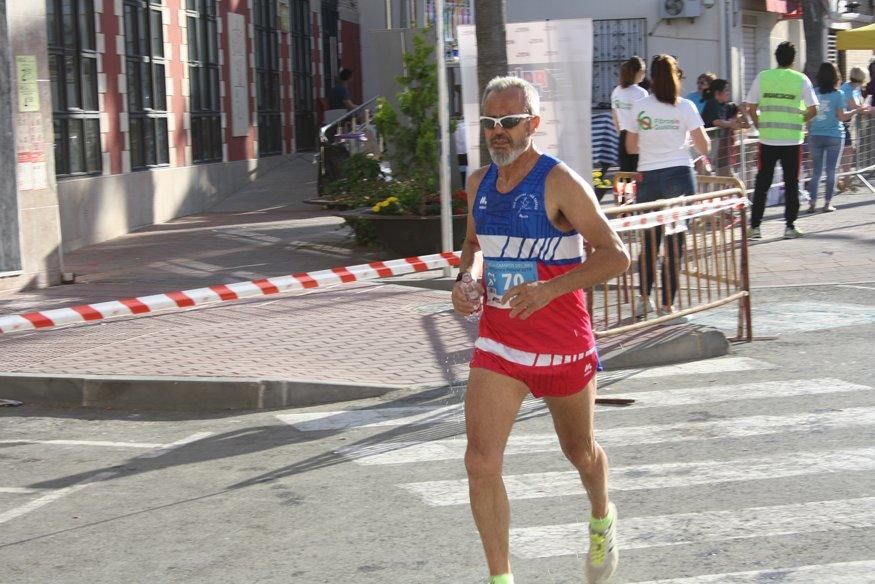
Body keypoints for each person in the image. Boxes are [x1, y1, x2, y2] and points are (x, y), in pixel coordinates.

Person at [452, 76, 630, 584]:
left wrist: (550, 290)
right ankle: (500, 578)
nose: (498, 132)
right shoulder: (478, 182)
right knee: (480, 463)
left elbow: (616, 255)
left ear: (533, 123)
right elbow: (472, 244)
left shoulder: (559, 181)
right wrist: (464, 282)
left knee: (579, 451)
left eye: (509, 122)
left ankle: (602, 517)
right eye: (490, 123)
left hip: (562, 346)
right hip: (500, 343)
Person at [626, 55, 710, 317]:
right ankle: (667, 305)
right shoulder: (685, 107)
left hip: (648, 177)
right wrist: (683, 141)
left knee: (650, 242)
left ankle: (643, 298)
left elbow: (630, 146)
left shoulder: (639, 107)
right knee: (675, 243)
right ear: (676, 76)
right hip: (679, 175)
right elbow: (704, 145)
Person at [744, 42, 818, 240]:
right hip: (792, 141)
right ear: (793, 59)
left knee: (762, 184)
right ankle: (790, 227)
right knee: (792, 184)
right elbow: (814, 109)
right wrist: (799, 119)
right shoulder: (801, 79)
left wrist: (759, 124)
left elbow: (750, 105)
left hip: (767, 140)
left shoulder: (763, 77)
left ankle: (755, 227)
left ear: (776, 57)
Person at [808, 62, 855, 213]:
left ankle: (812, 203)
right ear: (836, 77)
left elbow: (809, 115)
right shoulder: (838, 94)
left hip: (815, 134)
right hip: (834, 135)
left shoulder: (814, 92)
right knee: (831, 170)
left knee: (816, 172)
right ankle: (827, 203)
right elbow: (841, 117)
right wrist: (854, 111)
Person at [611, 56, 648, 171]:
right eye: (643, 71)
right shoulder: (641, 93)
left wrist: (621, 133)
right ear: (638, 72)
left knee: (626, 176)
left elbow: (615, 117)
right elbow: (644, 119)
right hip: (638, 137)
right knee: (639, 174)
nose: (644, 74)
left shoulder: (616, 91)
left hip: (623, 136)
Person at [701, 79, 745, 175]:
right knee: (710, 177)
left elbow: (742, 122)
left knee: (726, 177)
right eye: (726, 90)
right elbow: (717, 121)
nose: (729, 93)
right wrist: (731, 123)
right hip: (710, 150)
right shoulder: (712, 103)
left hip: (722, 151)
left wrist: (742, 110)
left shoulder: (727, 105)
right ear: (717, 93)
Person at [838, 67, 869, 192]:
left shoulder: (855, 88)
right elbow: (854, 106)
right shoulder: (847, 88)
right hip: (841, 121)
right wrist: (865, 108)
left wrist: (863, 107)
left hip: (848, 122)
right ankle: (843, 179)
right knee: (847, 150)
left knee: (849, 150)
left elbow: (859, 105)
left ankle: (845, 179)